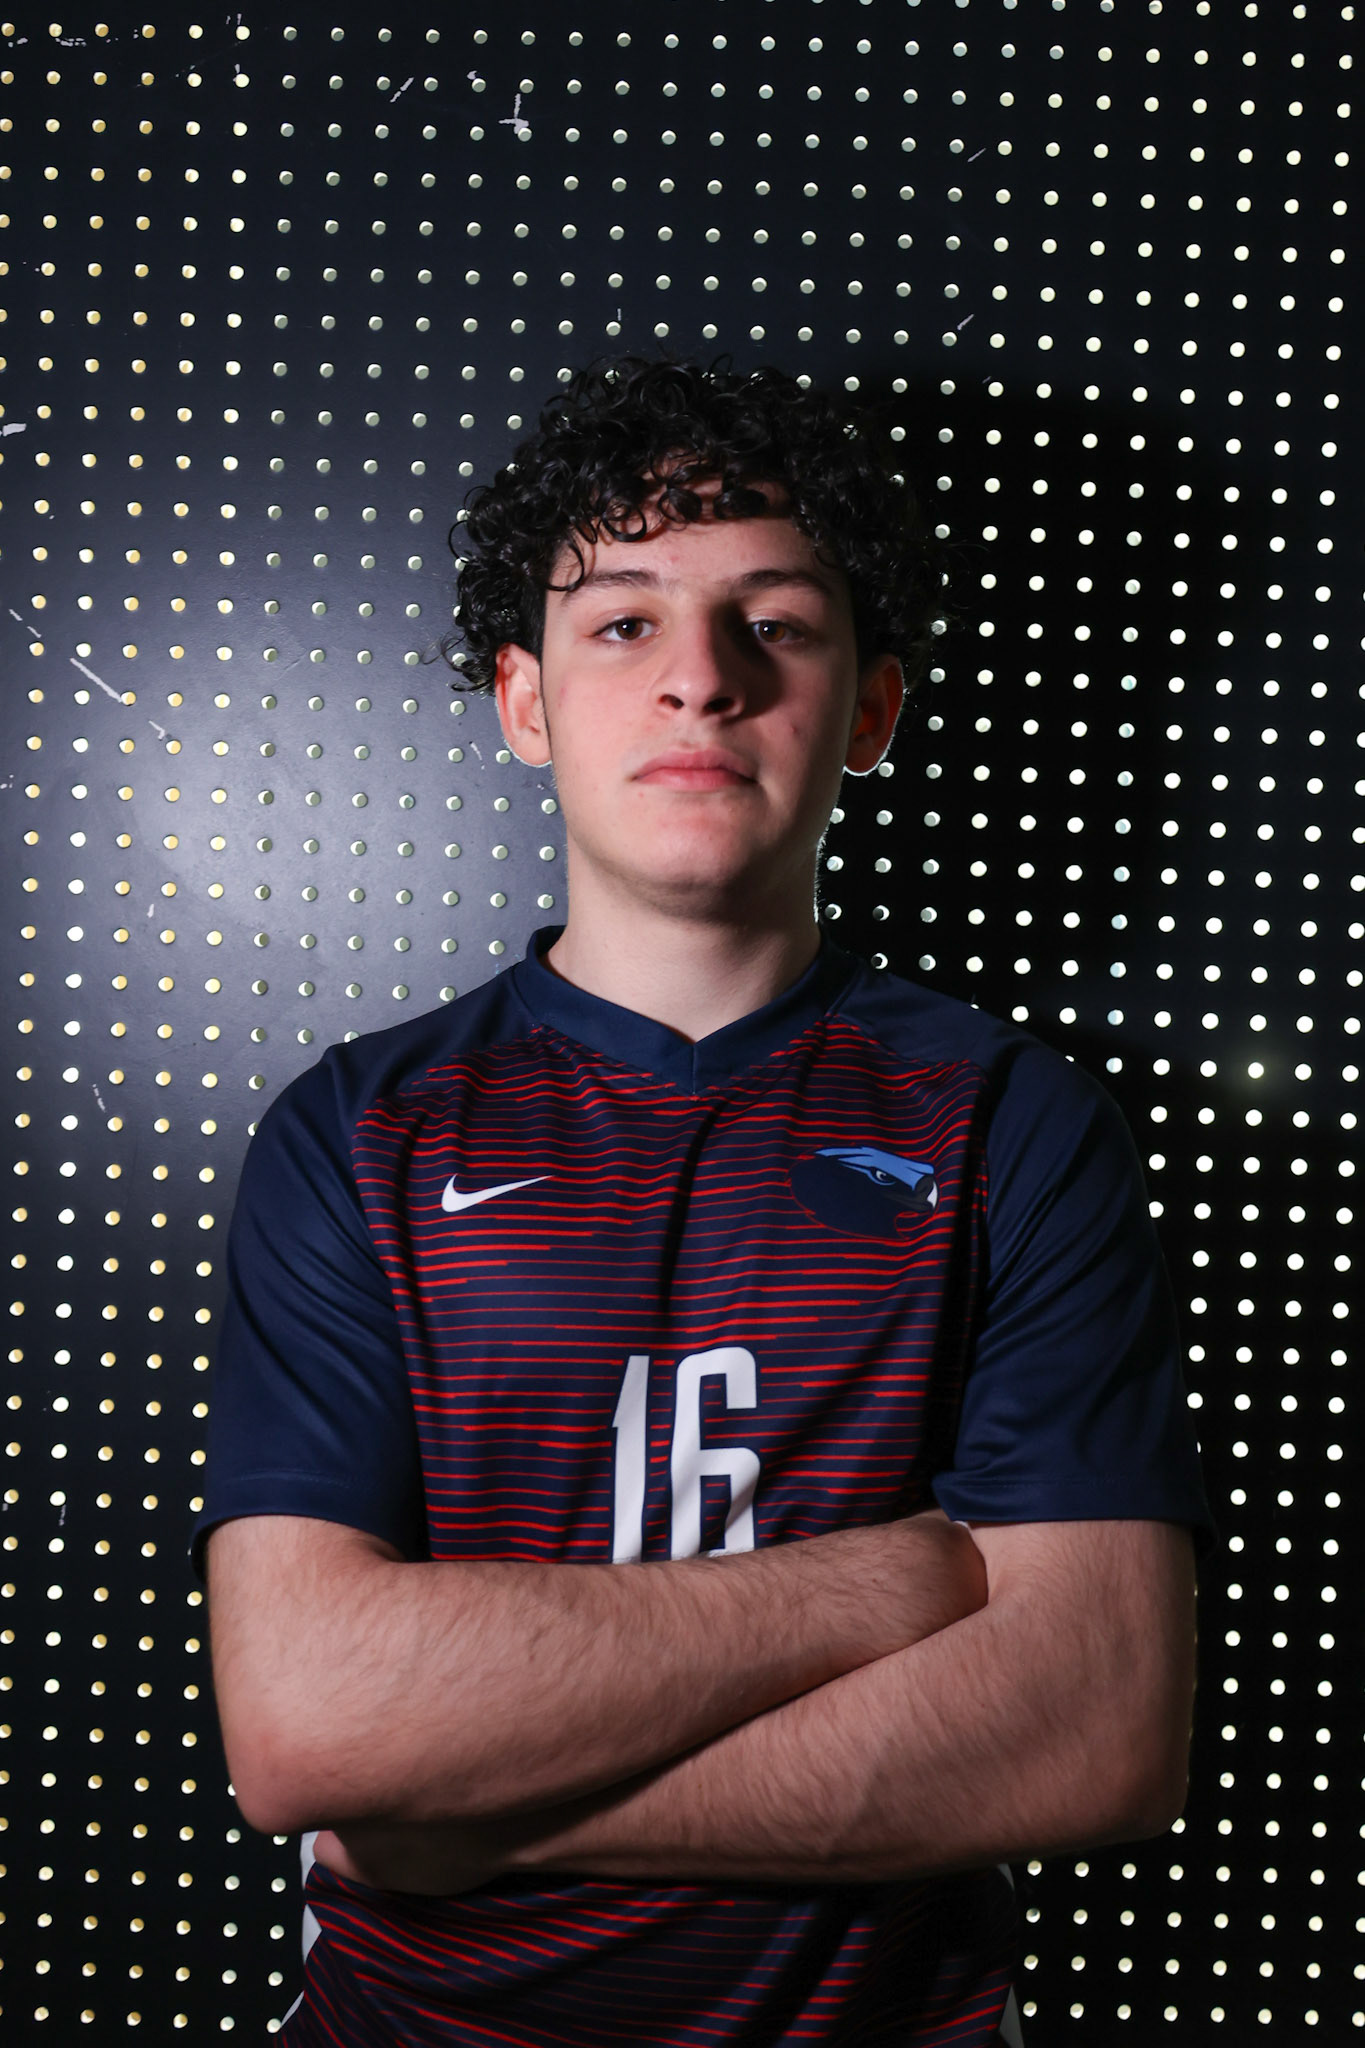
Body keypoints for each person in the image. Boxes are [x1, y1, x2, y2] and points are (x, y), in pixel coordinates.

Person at [196, 351, 1213, 2047]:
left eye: (777, 623)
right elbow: (306, 1726)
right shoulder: (357, 1133)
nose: (701, 682)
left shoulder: (1010, 1122)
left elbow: (1091, 1727)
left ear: (868, 711)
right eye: (623, 623)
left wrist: (456, 1812)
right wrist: (885, 1586)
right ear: (523, 702)